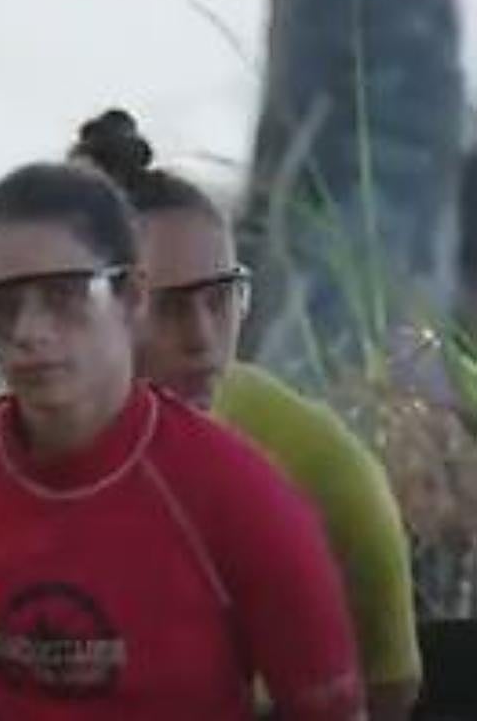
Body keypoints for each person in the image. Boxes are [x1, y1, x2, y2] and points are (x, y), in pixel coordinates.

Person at [0, 160, 364, 720]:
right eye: (1, 307)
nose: (30, 332)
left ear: (132, 296)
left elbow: (332, 707)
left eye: (64, 296)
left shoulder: (238, 494)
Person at [74, 108, 421, 721]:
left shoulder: (324, 473)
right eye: (167, 307)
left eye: (221, 298)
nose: (204, 340)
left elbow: (387, 691)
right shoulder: (10, 460)